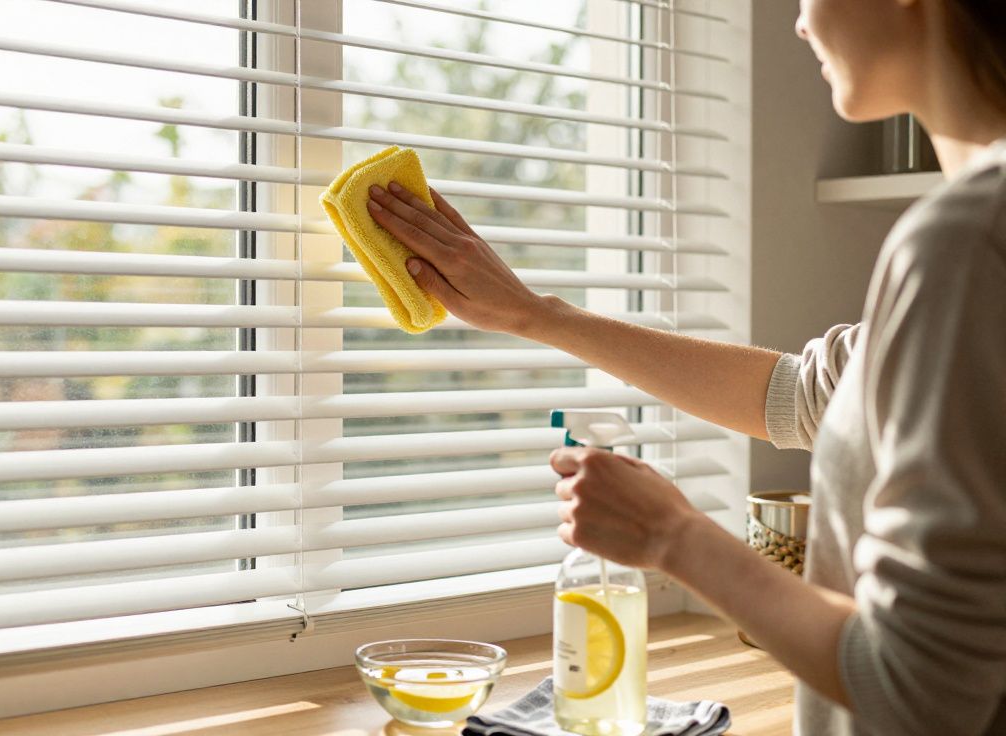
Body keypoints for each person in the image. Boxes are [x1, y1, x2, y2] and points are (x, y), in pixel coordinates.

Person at [364, 0, 1006, 733]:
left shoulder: (968, 242)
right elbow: (800, 395)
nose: (798, 23)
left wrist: (673, 535)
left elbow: (919, 688)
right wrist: (533, 314)